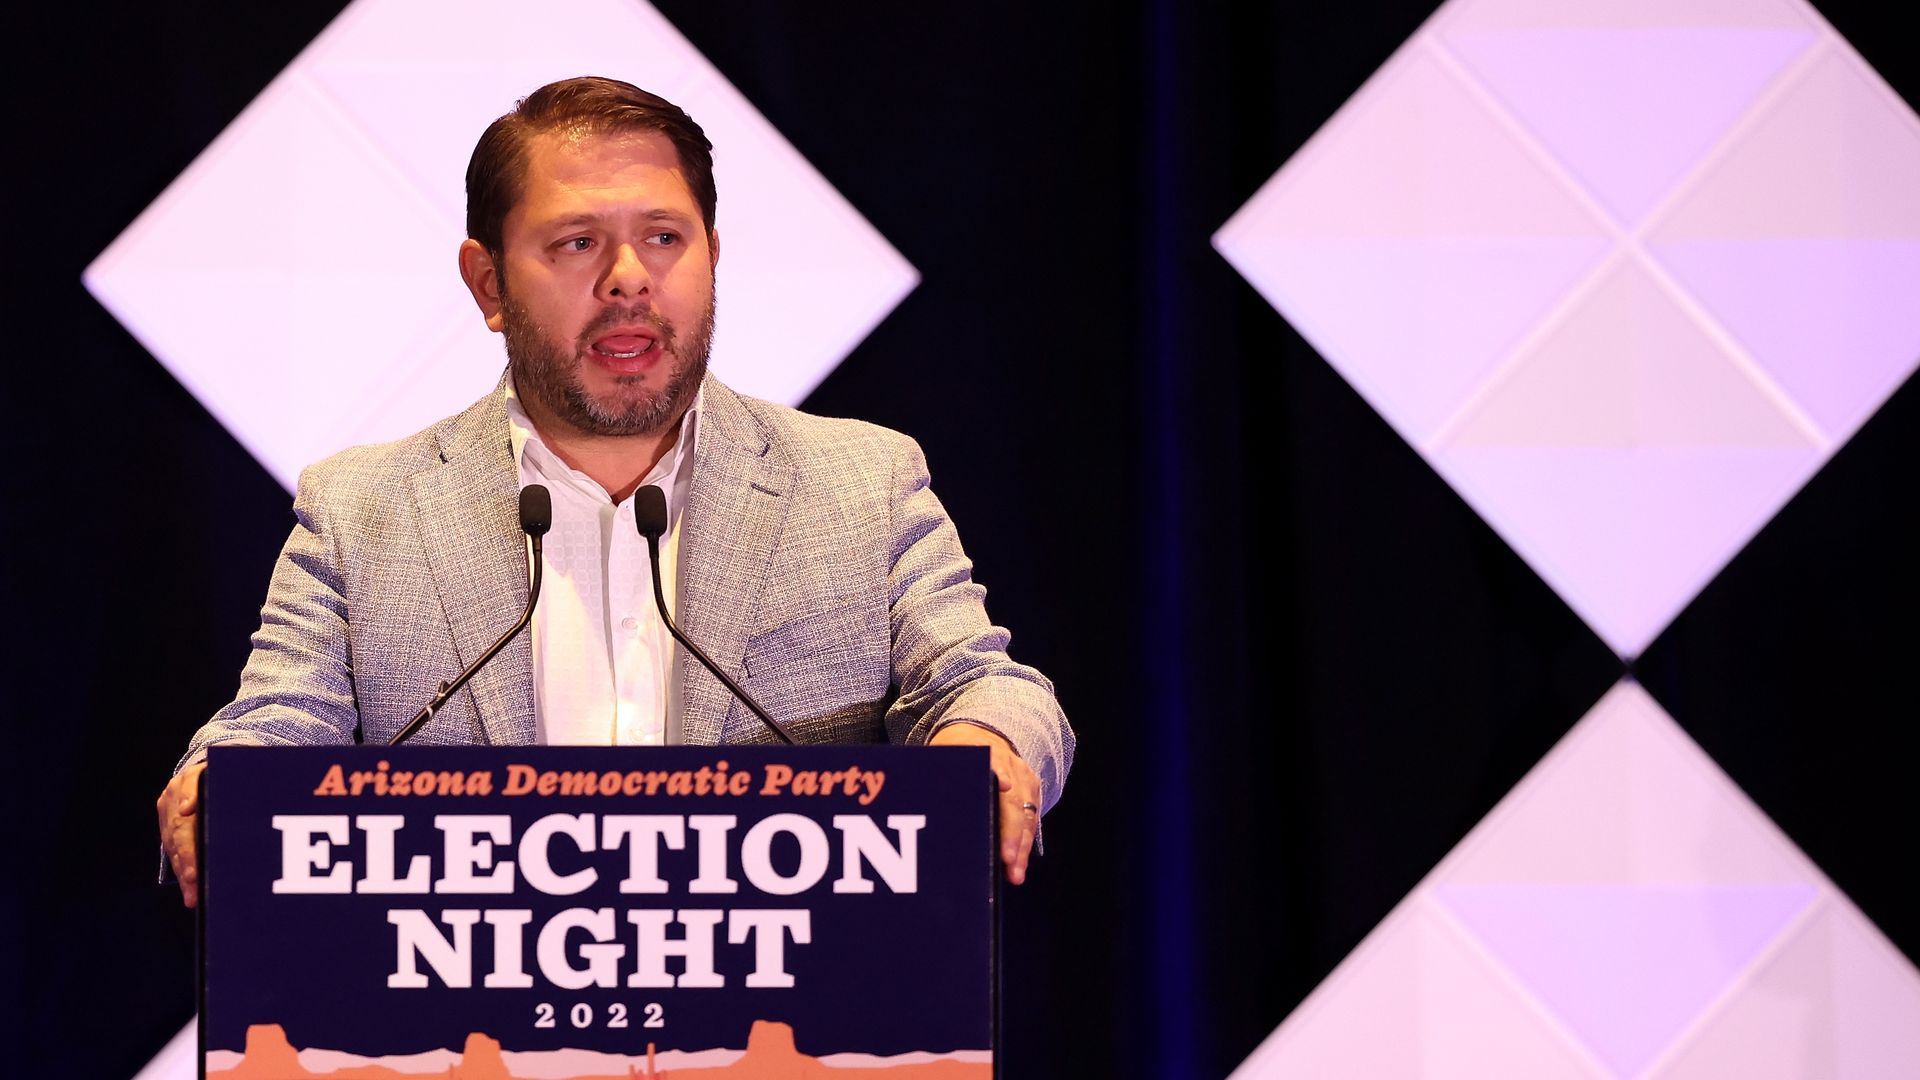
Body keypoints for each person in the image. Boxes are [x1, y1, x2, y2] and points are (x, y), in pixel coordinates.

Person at [154, 76, 1073, 905]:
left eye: (664, 238)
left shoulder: (862, 485)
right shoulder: (362, 512)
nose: (629, 278)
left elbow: (983, 685)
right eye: (577, 242)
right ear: (488, 284)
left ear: (712, 253)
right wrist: (222, 784)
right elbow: (278, 725)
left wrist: (987, 749)